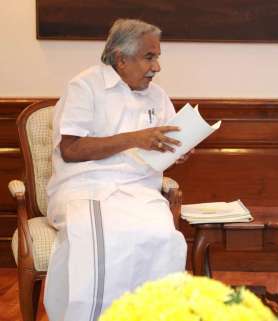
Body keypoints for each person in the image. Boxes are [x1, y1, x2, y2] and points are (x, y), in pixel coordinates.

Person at [44, 19, 188, 321]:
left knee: (163, 237)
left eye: (157, 57)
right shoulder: (84, 86)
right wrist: (136, 139)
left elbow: (166, 141)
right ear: (121, 59)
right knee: (104, 240)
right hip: (86, 187)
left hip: (140, 191)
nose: (157, 67)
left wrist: (179, 149)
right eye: (150, 57)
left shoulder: (157, 96)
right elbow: (70, 149)